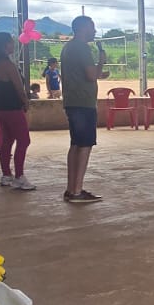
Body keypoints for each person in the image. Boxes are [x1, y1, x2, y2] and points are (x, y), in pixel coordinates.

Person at [60, 16, 106, 204]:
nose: (94, 31)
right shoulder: (82, 48)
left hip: (72, 101)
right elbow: (91, 75)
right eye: (92, 27)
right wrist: (101, 62)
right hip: (83, 103)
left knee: (76, 145)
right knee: (85, 145)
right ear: (83, 28)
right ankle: (77, 191)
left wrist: (97, 72)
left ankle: (72, 188)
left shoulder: (68, 47)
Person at [0, 32, 34, 191]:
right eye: (10, 42)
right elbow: (19, 88)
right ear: (4, 45)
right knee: (23, 140)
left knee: (7, 140)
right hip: (12, 107)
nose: (13, 45)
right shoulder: (8, 65)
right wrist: (25, 102)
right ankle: (19, 176)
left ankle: (6, 174)